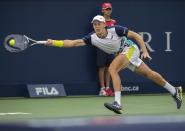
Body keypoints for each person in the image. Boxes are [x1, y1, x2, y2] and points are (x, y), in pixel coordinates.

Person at [45, 15, 183, 114]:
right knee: (150, 74)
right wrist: (54, 42)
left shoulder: (115, 29)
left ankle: (117, 103)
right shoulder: (92, 38)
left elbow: (136, 36)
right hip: (123, 54)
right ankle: (174, 90)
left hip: (131, 49)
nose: (96, 26)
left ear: (105, 24)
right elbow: (73, 42)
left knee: (112, 68)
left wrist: (144, 50)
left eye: (99, 23)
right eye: (94, 24)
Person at [97, 3, 116, 96]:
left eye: (109, 9)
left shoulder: (114, 22)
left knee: (109, 67)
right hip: (101, 46)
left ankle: (108, 88)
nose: (108, 11)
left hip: (111, 47)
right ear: (102, 10)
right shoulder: (98, 21)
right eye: (106, 9)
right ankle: (102, 89)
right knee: (102, 67)